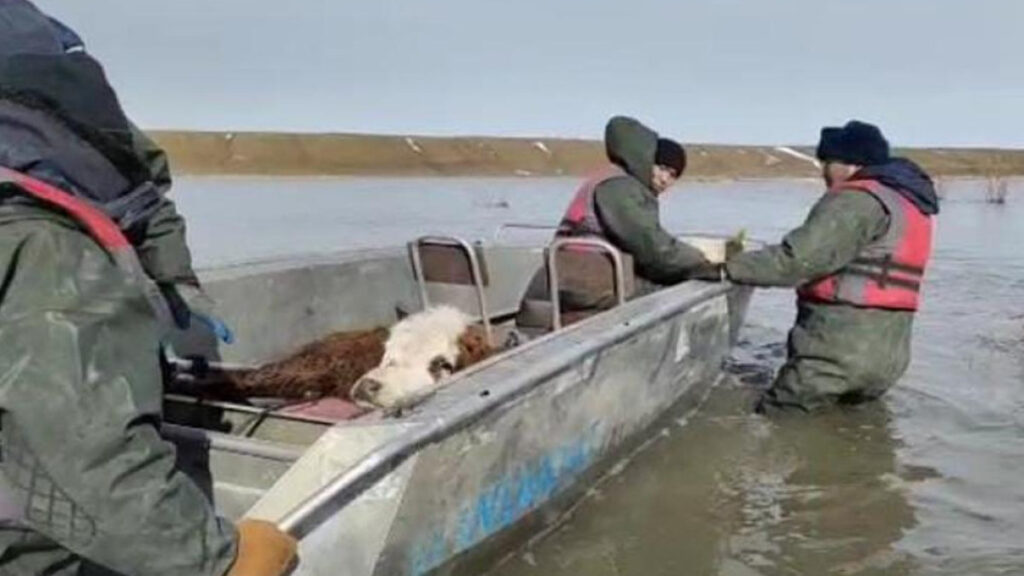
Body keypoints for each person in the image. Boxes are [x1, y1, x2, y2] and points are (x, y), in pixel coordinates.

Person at [0, 2, 295, 575]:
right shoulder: (39, 242)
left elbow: (143, 198)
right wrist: (221, 562)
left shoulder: (83, 168)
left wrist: (178, 285)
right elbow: (91, 457)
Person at [725, 120, 939, 413]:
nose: (823, 171)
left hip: (836, 351)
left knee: (778, 421)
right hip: (890, 356)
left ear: (849, 163)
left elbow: (796, 261)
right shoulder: (909, 202)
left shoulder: (855, 199)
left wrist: (727, 268)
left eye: (826, 162)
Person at [517, 116, 719, 327]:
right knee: (671, 289)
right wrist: (701, 262)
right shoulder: (621, 187)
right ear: (646, 160)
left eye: (673, 175)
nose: (665, 179)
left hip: (568, 273)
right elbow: (651, 245)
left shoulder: (611, 178)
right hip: (588, 280)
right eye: (661, 168)